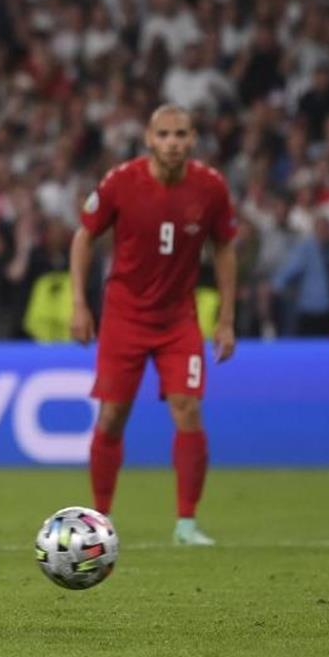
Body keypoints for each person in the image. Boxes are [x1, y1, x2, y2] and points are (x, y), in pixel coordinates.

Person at [69, 105, 238, 546]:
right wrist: (78, 303)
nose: (173, 142)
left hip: (179, 317)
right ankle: (99, 520)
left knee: (188, 408)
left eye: (181, 133)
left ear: (194, 138)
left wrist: (226, 319)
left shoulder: (211, 187)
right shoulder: (120, 181)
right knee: (112, 416)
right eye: (164, 134)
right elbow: (84, 235)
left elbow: (224, 249)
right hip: (125, 315)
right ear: (149, 138)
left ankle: (187, 522)